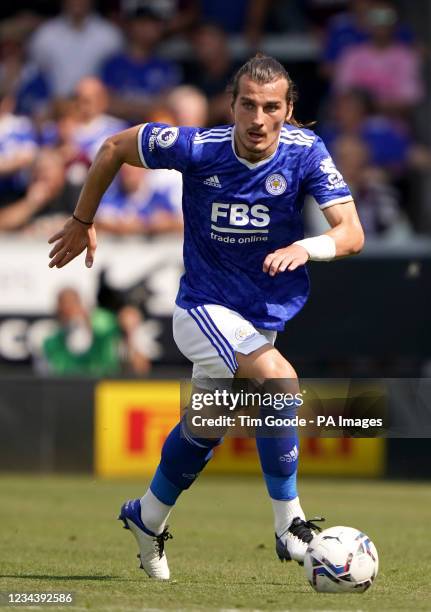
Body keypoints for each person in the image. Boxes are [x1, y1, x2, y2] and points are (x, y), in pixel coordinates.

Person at [47, 54, 364, 580]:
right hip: (202, 309)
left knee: (206, 426)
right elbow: (111, 147)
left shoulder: (306, 152)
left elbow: (351, 233)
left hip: (258, 316)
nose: (258, 119)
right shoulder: (196, 147)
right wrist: (83, 218)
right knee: (281, 379)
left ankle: (147, 517)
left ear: (288, 110)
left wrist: (308, 248)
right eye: (247, 105)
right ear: (231, 105)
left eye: (270, 107)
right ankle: (290, 525)